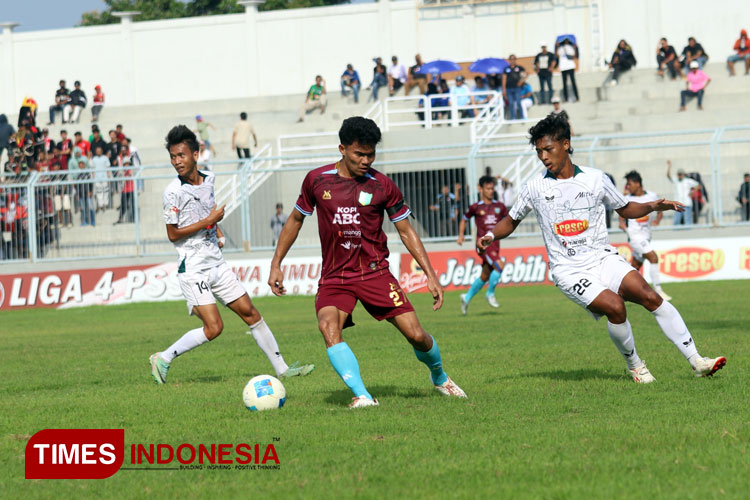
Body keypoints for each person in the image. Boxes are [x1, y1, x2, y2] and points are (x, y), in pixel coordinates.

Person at [479, 111, 726, 383]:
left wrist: (653, 206)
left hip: (602, 258)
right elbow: (511, 220)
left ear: (565, 144)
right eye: (539, 152)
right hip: (569, 269)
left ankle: (698, 361)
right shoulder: (535, 187)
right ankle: (636, 367)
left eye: (548, 149)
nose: (543, 157)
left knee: (650, 296)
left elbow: (626, 208)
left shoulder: (595, 179)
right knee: (615, 307)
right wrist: (491, 235)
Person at [268, 116, 466, 408]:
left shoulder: (382, 185)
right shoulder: (317, 180)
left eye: (370, 154)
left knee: (416, 335)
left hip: (375, 274)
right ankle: (362, 395)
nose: (365, 160)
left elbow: (405, 230)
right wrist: (276, 263)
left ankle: (439, 376)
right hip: (336, 277)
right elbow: (296, 219)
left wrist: (430, 275)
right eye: (359, 154)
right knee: (328, 326)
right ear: (342, 149)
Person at [150, 125, 314, 385]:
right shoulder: (172, 192)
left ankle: (283, 369)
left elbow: (206, 211)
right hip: (193, 268)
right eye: (172, 156)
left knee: (250, 312)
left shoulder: (210, 179)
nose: (177, 161)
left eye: (181, 155)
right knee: (214, 328)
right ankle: (164, 357)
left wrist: (216, 228)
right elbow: (173, 234)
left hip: (216, 262)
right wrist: (209, 221)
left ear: (195, 154)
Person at [457, 175, 508, 313]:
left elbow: (508, 221)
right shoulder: (476, 207)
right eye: (488, 188)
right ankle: (490, 293)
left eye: (492, 188)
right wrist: (461, 235)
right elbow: (464, 219)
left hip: (495, 245)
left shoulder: (500, 207)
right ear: (480, 189)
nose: (491, 191)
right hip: (483, 246)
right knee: (500, 266)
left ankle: (466, 298)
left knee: (485, 275)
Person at [618, 170, 671, 301]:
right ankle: (658, 290)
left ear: (637, 183)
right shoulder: (628, 199)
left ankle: (621, 294)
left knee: (635, 266)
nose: (628, 186)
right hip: (635, 237)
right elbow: (621, 214)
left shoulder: (651, 195)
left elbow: (660, 208)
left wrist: (657, 220)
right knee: (653, 257)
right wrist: (622, 224)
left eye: (629, 183)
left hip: (646, 236)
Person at [666, 160, 699, 226]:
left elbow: (698, 185)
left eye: (681, 174)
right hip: (678, 204)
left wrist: (692, 193)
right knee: (676, 221)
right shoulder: (676, 180)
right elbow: (668, 176)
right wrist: (669, 166)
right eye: (678, 174)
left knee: (688, 221)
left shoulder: (688, 180)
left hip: (687, 203)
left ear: (683, 174)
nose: (679, 176)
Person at [502, 54, 527, 120]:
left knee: (519, 102)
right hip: (509, 89)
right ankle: (513, 117)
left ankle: (522, 117)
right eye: (511, 59)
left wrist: (521, 81)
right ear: (509, 60)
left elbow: (525, 74)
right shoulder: (506, 69)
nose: (512, 61)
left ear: (515, 60)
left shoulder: (519, 68)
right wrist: (504, 90)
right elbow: (504, 79)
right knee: (511, 103)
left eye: (513, 59)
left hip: (517, 88)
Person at [555, 37, 579, 102]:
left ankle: (577, 97)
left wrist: (575, 47)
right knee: (564, 84)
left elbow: (575, 56)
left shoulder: (570, 47)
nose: (566, 42)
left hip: (570, 66)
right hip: (563, 67)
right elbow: (557, 56)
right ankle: (566, 98)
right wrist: (556, 47)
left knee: (573, 82)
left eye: (567, 40)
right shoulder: (560, 48)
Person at [91, 145, 110, 213]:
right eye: (97, 151)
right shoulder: (94, 159)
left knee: (105, 191)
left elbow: (108, 168)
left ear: (102, 151)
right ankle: (100, 204)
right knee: (99, 192)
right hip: (97, 178)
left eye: (100, 151)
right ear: (96, 152)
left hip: (104, 177)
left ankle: (106, 203)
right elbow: (93, 169)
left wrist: (108, 177)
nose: (98, 152)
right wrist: (93, 177)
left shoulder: (105, 158)